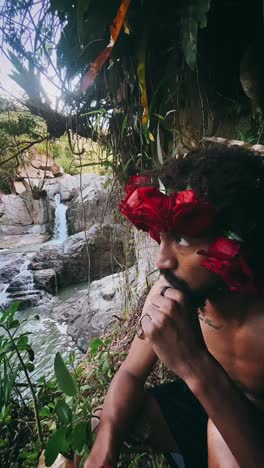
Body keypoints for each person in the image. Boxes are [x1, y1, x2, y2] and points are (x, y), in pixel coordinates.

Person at [84, 147, 264, 468]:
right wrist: (104, 450)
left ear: (233, 242)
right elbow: (129, 371)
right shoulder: (181, 290)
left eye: (182, 239)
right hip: (207, 399)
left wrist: (194, 364)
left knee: (221, 443)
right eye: (162, 237)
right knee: (105, 420)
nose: (162, 260)